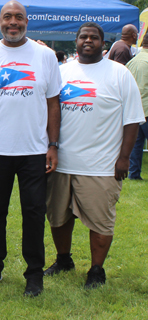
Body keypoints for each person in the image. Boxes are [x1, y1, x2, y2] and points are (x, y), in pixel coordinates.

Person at [0, 0, 61, 297]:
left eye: (18, 17)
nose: (13, 22)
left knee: (34, 213)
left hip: (34, 150)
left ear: (26, 22)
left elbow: (53, 104)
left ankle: (34, 274)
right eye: (7, 17)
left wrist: (53, 144)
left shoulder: (45, 56)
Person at [45, 22, 144, 288]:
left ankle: (96, 270)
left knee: (101, 222)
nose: (88, 40)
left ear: (103, 42)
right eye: (83, 37)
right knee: (58, 217)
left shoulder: (119, 74)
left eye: (94, 37)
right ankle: (64, 259)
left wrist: (124, 158)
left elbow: (132, 120)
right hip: (61, 162)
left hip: (101, 165)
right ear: (76, 41)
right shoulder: (60, 72)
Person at [126, 32, 148, 180]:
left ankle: (134, 174)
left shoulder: (133, 60)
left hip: (134, 109)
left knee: (136, 144)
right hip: (146, 108)